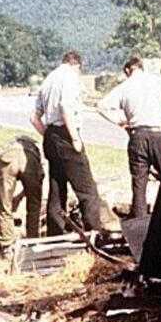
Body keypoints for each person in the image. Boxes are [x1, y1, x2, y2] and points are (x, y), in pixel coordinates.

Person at [98, 56, 161, 218]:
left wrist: (121, 122)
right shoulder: (156, 80)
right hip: (158, 133)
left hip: (137, 135)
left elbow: (101, 107)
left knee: (139, 183)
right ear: (141, 67)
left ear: (127, 71)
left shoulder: (124, 87)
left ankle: (139, 220)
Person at [30, 51, 103, 235]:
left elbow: (34, 118)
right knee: (87, 190)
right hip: (66, 133)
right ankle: (94, 232)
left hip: (51, 135)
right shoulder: (70, 77)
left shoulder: (49, 79)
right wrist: (74, 139)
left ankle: (55, 232)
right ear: (77, 65)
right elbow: (66, 107)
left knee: (56, 189)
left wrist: (49, 135)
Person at [0, 137, 44, 252]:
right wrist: (21, 196)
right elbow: (40, 179)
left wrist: (18, 198)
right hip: (30, 160)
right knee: (34, 206)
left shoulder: (8, 145)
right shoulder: (37, 148)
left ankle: (7, 246)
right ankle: (32, 243)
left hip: (8, 159)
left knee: (5, 207)